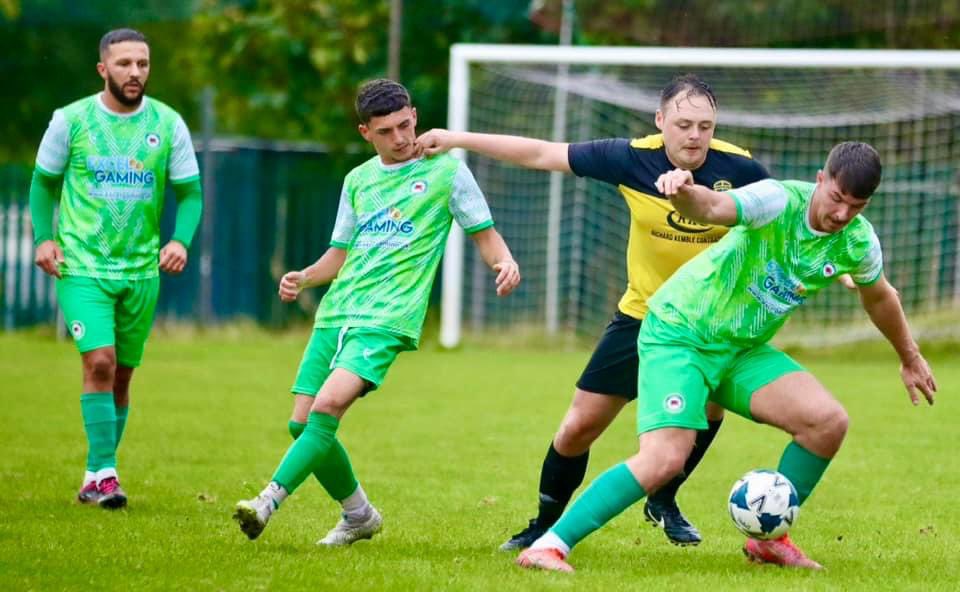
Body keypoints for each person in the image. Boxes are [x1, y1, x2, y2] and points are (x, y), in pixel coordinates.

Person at [516, 141, 937, 572]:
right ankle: (550, 545)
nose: (843, 214)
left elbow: (880, 297)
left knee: (827, 423)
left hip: (740, 349)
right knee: (664, 458)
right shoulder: (776, 200)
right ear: (820, 180)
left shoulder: (859, 242)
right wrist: (683, 191)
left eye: (857, 206)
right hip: (681, 333)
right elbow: (715, 207)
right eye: (837, 199)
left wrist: (909, 356)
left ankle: (769, 541)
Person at [417, 74, 769, 549]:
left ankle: (663, 500)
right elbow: (543, 153)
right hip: (642, 315)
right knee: (579, 426)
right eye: (683, 123)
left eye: (705, 125)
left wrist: (844, 268)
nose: (694, 135)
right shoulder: (632, 157)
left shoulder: (742, 169)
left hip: (708, 325)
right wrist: (457, 139)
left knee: (707, 411)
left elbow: (791, 215)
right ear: (660, 120)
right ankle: (544, 523)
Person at [232, 79, 521, 546]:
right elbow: (339, 256)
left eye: (406, 124)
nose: (402, 138)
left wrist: (504, 262)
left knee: (327, 408)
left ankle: (267, 501)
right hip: (336, 313)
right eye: (387, 131)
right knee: (300, 423)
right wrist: (304, 276)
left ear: (415, 114)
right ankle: (358, 515)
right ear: (366, 132)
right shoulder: (358, 180)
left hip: (388, 319)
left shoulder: (448, 172)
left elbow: (486, 236)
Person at [29, 28, 203, 509]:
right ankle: (108, 475)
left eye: (143, 64)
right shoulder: (71, 120)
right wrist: (45, 238)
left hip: (142, 270)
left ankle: (94, 472)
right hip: (83, 265)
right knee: (98, 361)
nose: (135, 72)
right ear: (103, 69)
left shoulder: (168, 124)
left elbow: (190, 193)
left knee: (122, 376)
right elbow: (43, 185)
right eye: (124, 64)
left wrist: (180, 241)